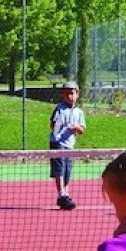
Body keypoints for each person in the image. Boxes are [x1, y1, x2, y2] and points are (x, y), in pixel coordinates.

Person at [49, 80, 86, 210]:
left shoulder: (79, 112)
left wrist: (75, 127)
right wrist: (59, 129)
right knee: (60, 168)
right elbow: (52, 125)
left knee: (67, 170)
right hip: (57, 143)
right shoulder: (59, 109)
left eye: (72, 93)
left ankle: (65, 194)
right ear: (62, 96)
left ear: (77, 94)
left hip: (70, 145)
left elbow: (82, 130)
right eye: (66, 94)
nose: (70, 96)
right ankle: (61, 194)